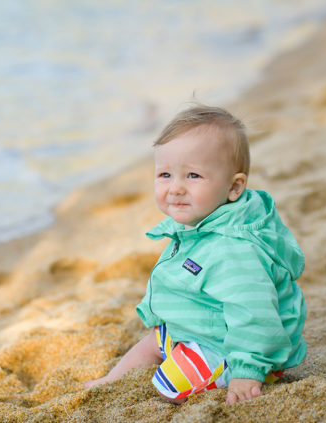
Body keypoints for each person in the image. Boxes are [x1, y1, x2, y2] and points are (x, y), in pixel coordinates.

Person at [84, 104, 307, 405]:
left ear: (234, 186)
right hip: (205, 325)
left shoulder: (233, 249)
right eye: (165, 174)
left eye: (192, 176)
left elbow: (255, 314)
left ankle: (234, 371)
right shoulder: (199, 223)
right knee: (154, 341)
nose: (175, 188)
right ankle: (110, 380)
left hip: (237, 349)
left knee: (168, 387)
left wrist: (248, 370)